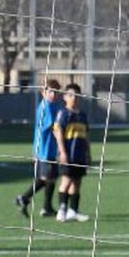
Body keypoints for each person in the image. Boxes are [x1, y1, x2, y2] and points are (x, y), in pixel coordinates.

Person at [15, 79, 62, 218]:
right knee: (45, 178)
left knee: (51, 178)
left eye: (56, 92)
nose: (53, 94)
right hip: (45, 149)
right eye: (50, 91)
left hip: (50, 148)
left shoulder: (53, 106)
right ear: (43, 92)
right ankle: (24, 198)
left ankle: (47, 207)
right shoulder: (46, 107)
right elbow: (54, 126)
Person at [53, 83, 90, 223]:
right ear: (65, 97)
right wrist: (62, 152)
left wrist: (88, 153)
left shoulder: (82, 115)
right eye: (70, 95)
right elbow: (58, 133)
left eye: (76, 95)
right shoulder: (63, 114)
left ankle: (73, 211)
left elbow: (86, 136)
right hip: (68, 154)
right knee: (66, 181)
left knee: (77, 182)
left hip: (79, 155)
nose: (73, 98)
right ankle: (61, 210)